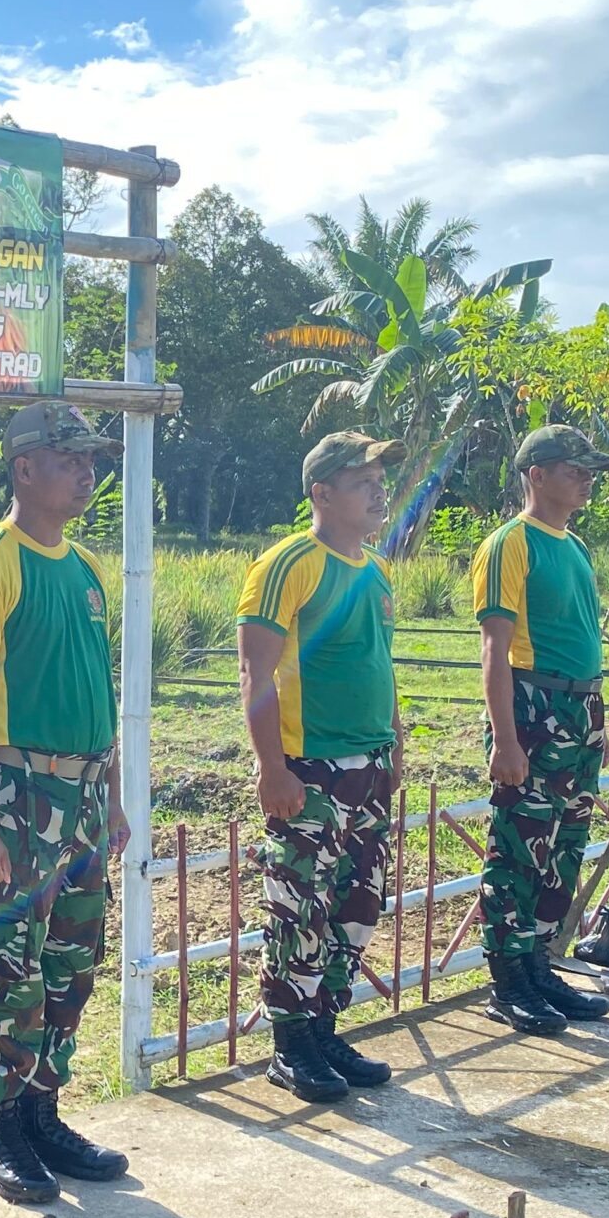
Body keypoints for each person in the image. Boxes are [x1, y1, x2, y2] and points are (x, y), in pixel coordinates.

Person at [0, 403, 134, 1206]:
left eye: (92, 459)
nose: (87, 471)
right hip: (18, 793)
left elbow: (99, 695)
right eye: (69, 457)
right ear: (23, 468)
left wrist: (112, 799)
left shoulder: (83, 569)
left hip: (81, 793)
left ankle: (44, 1114)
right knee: (7, 971)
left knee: (68, 965)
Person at [237, 431, 407, 1103]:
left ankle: (325, 1026)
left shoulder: (376, 569)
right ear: (322, 493)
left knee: (357, 903)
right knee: (299, 905)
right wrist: (272, 768)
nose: (377, 492)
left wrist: (395, 743)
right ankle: (290, 1041)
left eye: (379, 480)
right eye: (363, 480)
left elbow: (382, 665)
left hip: (368, 766)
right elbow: (255, 671)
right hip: (312, 769)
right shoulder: (288, 564)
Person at [471, 424, 609, 1035]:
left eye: (588, 471)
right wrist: (506, 739)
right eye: (573, 469)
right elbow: (494, 648)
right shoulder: (511, 543)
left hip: (578, 710)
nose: (585, 480)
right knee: (519, 848)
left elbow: (583, 638)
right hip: (534, 707)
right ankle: (508, 981)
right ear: (536, 475)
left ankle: (539, 966)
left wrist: (596, 723)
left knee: (561, 851)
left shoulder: (576, 546)